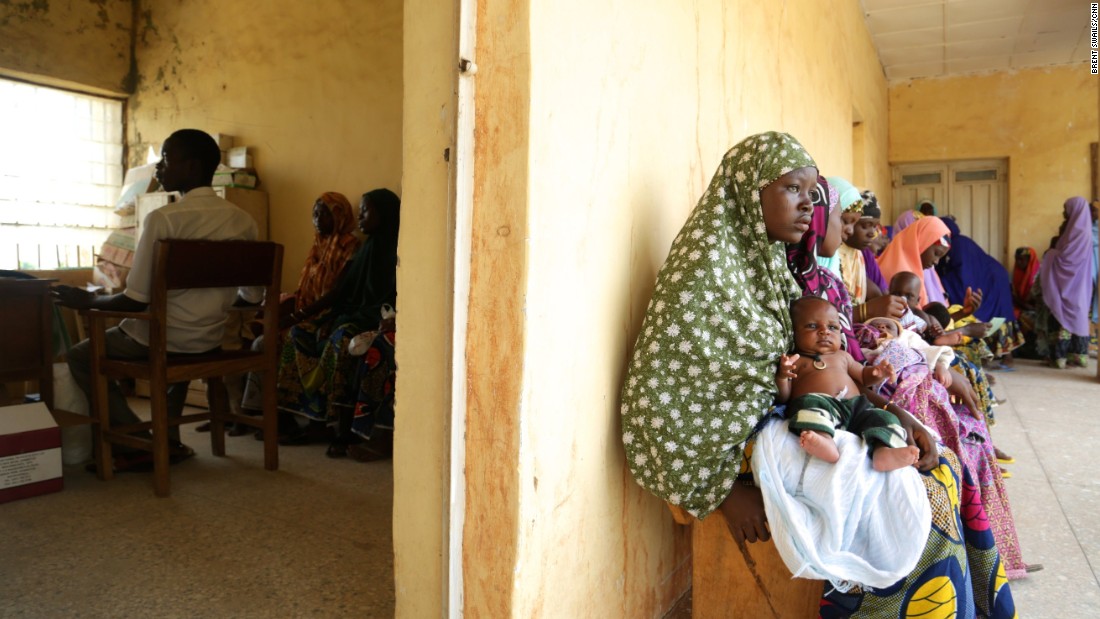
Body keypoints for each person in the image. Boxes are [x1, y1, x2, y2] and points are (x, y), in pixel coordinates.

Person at [620, 131, 1015, 616]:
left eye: (813, 195)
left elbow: (828, 375)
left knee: (941, 471)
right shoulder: (703, 277)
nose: (809, 207)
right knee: (916, 504)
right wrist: (721, 493)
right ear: (748, 192)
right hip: (746, 461)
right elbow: (655, 401)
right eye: (792, 189)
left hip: (806, 430)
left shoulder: (771, 269)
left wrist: (904, 420)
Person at [54, 129, 260, 472]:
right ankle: (167, 439)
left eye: (165, 159)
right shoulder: (245, 221)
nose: (158, 170)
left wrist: (81, 301)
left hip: (163, 337)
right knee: (175, 339)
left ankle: (135, 439)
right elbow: (251, 296)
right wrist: (208, 305)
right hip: (207, 340)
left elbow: (135, 301)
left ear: (192, 167)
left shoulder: (163, 218)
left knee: (80, 355)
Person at [276, 188, 400, 455]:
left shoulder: (398, 250)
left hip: (375, 321)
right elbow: (346, 293)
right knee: (299, 334)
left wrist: (340, 321)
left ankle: (343, 428)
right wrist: (325, 319)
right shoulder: (369, 247)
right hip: (353, 315)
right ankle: (312, 419)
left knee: (340, 340)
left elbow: (394, 299)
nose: (360, 216)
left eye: (366, 211)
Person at [775, 297, 916, 471]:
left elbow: (863, 376)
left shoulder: (843, 356)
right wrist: (782, 377)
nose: (824, 332)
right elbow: (784, 397)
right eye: (812, 326)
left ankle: (883, 451)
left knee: (885, 418)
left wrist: (877, 373)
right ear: (794, 332)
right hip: (823, 405)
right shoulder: (795, 360)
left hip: (857, 408)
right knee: (806, 404)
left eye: (832, 327)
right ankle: (823, 439)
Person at [934, 216, 1024, 364]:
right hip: (994, 277)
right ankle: (1002, 356)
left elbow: (962, 276)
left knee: (991, 312)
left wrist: (941, 283)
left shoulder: (956, 245)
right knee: (1000, 312)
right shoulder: (960, 241)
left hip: (991, 280)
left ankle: (1003, 357)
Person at [1036, 197, 1094, 369]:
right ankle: (1078, 356)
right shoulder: (1084, 231)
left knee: (1061, 316)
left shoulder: (1074, 231)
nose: (1063, 213)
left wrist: (1051, 254)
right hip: (1080, 284)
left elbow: (1066, 258)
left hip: (1065, 283)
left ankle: (1059, 358)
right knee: (1078, 313)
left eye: (1066, 209)